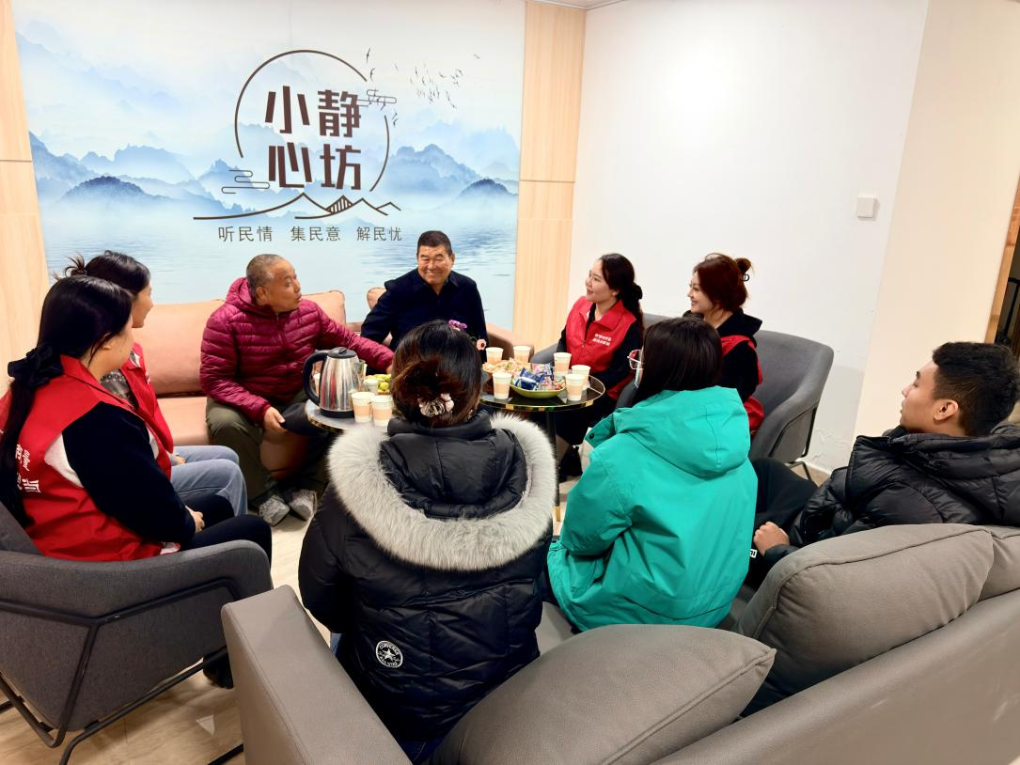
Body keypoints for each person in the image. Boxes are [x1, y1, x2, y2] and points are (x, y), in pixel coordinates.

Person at [298, 320, 554, 763]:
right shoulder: (528, 470)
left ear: (399, 389)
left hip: (406, 717)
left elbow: (321, 598)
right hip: (509, 699)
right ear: (478, 389)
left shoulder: (359, 482)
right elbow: (533, 577)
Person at [0, 276, 272, 565]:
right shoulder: (96, 418)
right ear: (106, 341)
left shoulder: (31, 386)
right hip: (108, 568)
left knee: (217, 506)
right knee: (252, 530)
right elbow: (152, 512)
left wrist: (182, 516)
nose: (133, 339)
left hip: (57, 539)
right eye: (129, 329)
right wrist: (186, 522)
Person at [547, 316, 756, 631]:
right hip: (712, 607)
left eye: (641, 357)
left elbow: (579, 539)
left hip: (640, 614)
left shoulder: (625, 454)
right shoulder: (737, 444)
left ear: (656, 369)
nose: (637, 364)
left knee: (542, 549)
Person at [751, 342, 1020, 578]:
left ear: (944, 409)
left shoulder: (909, 504)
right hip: (823, 515)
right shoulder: (941, 451)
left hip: (796, 551)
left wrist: (777, 549)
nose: (905, 390)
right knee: (765, 469)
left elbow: (834, 574)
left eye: (916, 384)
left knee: (730, 520)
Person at [201, 255, 393, 526]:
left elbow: (349, 341)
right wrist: (259, 408)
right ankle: (262, 495)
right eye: (287, 282)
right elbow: (215, 379)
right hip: (244, 395)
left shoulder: (308, 312)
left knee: (341, 409)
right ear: (262, 293)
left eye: (295, 277)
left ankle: (309, 487)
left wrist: (389, 360)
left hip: (296, 390)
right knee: (225, 424)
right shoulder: (225, 321)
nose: (298, 286)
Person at [63, 252, 247, 517]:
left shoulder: (127, 349)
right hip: (136, 466)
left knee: (228, 456)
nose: (152, 303)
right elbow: (121, 445)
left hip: (150, 450)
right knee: (228, 472)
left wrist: (164, 453)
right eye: (148, 294)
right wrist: (164, 459)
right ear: (125, 299)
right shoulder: (107, 363)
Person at [554, 253, 643, 477]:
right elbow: (564, 338)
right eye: (589, 275)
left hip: (603, 393)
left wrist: (586, 385)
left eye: (596, 279)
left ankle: (551, 468)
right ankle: (561, 458)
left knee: (567, 410)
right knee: (540, 404)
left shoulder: (628, 324)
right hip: (570, 382)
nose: (588, 282)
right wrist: (562, 368)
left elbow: (621, 370)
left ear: (614, 290)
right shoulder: (581, 305)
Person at [360, 230, 488, 352]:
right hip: (409, 364)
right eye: (425, 259)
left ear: (452, 259)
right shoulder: (398, 291)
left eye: (438, 259)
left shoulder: (467, 288)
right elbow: (368, 339)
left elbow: (480, 336)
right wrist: (386, 362)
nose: (431, 266)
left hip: (458, 364)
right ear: (417, 258)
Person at [687, 253, 764, 433]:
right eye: (690, 287)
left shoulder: (740, 349)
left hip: (715, 420)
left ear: (718, 295)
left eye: (696, 289)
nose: (689, 294)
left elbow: (722, 403)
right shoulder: (689, 324)